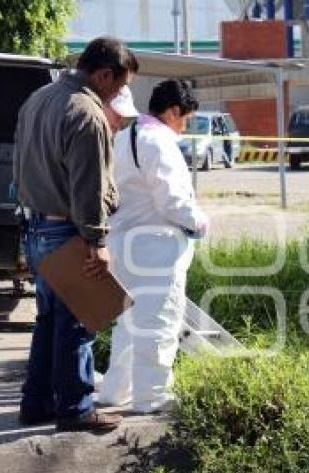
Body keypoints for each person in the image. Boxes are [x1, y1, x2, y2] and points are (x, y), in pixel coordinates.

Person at [14, 36, 138, 433]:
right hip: (68, 229)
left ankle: (36, 403)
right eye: (118, 86)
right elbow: (89, 186)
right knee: (78, 321)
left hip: (35, 227)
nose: (118, 94)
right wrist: (97, 241)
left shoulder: (38, 98)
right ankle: (75, 408)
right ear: (103, 74)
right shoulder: (86, 111)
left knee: (49, 320)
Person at [98, 79, 208, 413]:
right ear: (173, 111)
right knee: (159, 322)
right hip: (157, 249)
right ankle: (153, 397)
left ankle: (117, 391)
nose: (183, 127)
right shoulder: (159, 141)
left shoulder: (123, 137)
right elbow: (173, 201)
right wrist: (201, 222)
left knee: (129, 324)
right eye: (185, 119)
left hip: (123, 245)